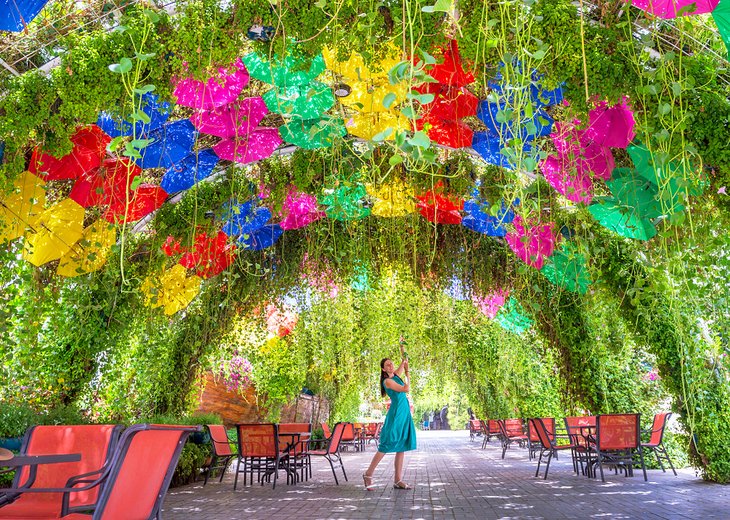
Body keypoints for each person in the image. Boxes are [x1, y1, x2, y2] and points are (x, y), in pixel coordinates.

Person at [363, 344, 417, 490]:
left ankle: (398, 480)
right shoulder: (387, 381)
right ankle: (368, 474)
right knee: (386, 445)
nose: (391, 365)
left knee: (402, 446)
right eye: (387, 365)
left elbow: (405, 360)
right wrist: (408, 374)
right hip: (396, 415)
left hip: (404, 413)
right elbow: (406, 388)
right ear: (383, 369)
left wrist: (402, 345)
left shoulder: (395, 375)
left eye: (391, 363)